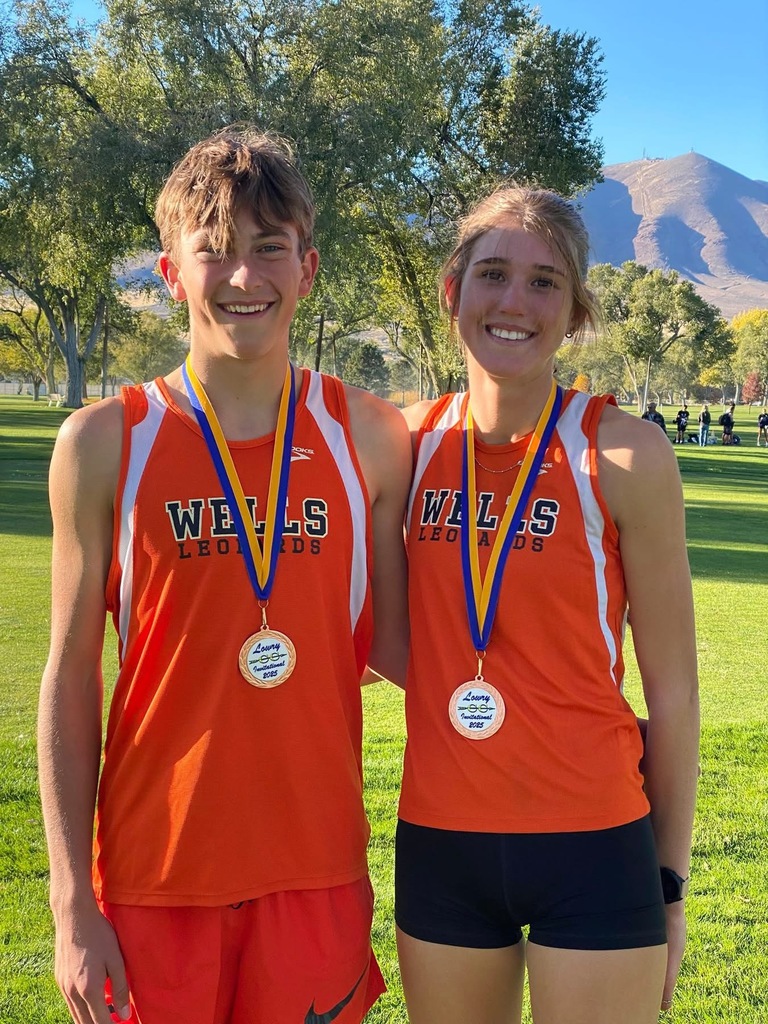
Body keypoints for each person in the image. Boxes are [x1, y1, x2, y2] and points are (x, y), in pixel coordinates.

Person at [37, 127, 411, 1024]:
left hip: (315, 876)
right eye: (215, 252)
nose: (245, 277)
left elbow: (409, 649)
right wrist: (69, 900)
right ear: (172, 273)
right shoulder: (103, 442)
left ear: (308, 269)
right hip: (151, 879)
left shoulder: (370, 436)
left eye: (269, 249)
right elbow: (70, 675)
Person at [395, 185, 699, 1024]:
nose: (515, 303)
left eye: (545, 283)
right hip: (442, 841)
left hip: (596, 843)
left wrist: (668, 885)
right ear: (452, 290)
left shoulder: (626, 454)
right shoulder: (403, 446)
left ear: (575, 312)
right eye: (493, 273)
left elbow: (674, 694)